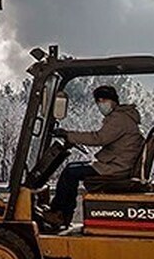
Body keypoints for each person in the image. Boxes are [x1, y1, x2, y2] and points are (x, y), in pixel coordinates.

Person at [41, 85, 144, 230]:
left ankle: (58, 213)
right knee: (72, 169)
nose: (101, 104)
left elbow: (99, 138)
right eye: (98, 101)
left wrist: (68, 135)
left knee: (70, 173)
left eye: (104, 100)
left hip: (116, 167)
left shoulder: (119, 118)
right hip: (118, 163)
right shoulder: (124, 117)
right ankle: (63, 215)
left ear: (113, 101)